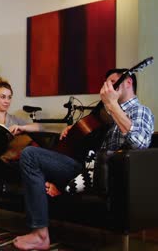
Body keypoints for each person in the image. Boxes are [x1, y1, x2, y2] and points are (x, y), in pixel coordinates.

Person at [13, 69, 155, 250]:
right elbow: (86, 147)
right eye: (106, 83)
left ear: (128, 82)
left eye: (112, 82)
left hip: (108, 176)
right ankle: (53, 199)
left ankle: (40, 234)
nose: (107, 87)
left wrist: (113, 106)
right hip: (86, 169)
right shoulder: (106, 115)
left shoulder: (140, 111)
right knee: (30, 154)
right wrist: (72, 131)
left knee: (31, 156)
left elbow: (139, 144)